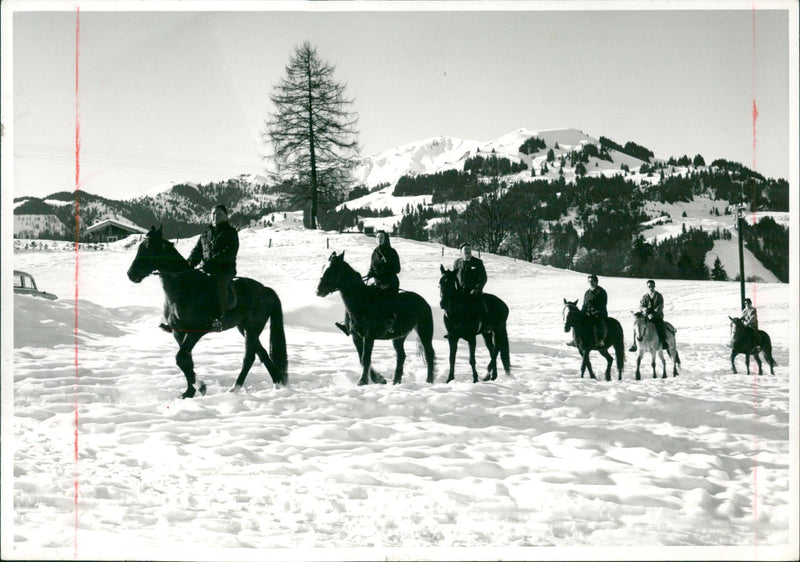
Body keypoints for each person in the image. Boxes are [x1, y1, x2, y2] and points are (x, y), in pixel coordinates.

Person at [335, 230, 400, 336]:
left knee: (385, 302)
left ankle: (389, 323)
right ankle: (348, 325)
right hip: (378, 283)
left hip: (390, 283)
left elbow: (397, 269)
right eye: (378, 237)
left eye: (382, 237)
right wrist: (370, 273)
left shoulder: (392, 252)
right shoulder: (375, 252)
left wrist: (383, 270)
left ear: (386, 238)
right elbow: (372, 267)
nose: (380, 239)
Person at [187, 204, 239, 332]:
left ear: (226, 217)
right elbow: (197, 250)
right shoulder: (205, 233)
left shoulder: (230, 232)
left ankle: (217, 319)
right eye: (213, 214)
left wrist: (211, 262)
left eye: (219, 214)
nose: (215, 216)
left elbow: (230, 252)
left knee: (218, 285)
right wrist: (189, 264)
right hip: (207, 269)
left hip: (224, 270)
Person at [569, 274, 608, 347]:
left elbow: (603, 304)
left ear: (596, 282)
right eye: (589, 281)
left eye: (592, 281)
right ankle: (575, 339)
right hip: (588, 313)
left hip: (599, 313)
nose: (591, 283)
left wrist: (595, 310)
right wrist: (581, 312)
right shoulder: (587, 292)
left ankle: (600, 339)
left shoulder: (601, 291)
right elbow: (584, 304)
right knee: (577, 321)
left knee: (598, 322)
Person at [452, 242, 488, 322]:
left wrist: (477, 289)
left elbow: (483, 277)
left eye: (469, 249)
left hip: (474, 292)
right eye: (465, 249)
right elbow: (454, 277)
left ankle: (486, 324)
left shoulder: (478, 262)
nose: (468, 251)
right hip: (460, 292)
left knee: (481, 305)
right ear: (461, 251)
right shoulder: (457, 262)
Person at [630, 279, 668, 351]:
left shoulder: (659, 296)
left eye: (652, 286)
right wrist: (645, 310)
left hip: (657, 316)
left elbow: (660, 306)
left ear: (655, 286)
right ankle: (634, 344)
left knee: (660, 325)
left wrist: (654, 314)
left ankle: (663, 342)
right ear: (647, 287)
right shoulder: (645, 296)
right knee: (637, 326)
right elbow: (641, 305)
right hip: (646, 316)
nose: (651, 288)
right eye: (649, 286)